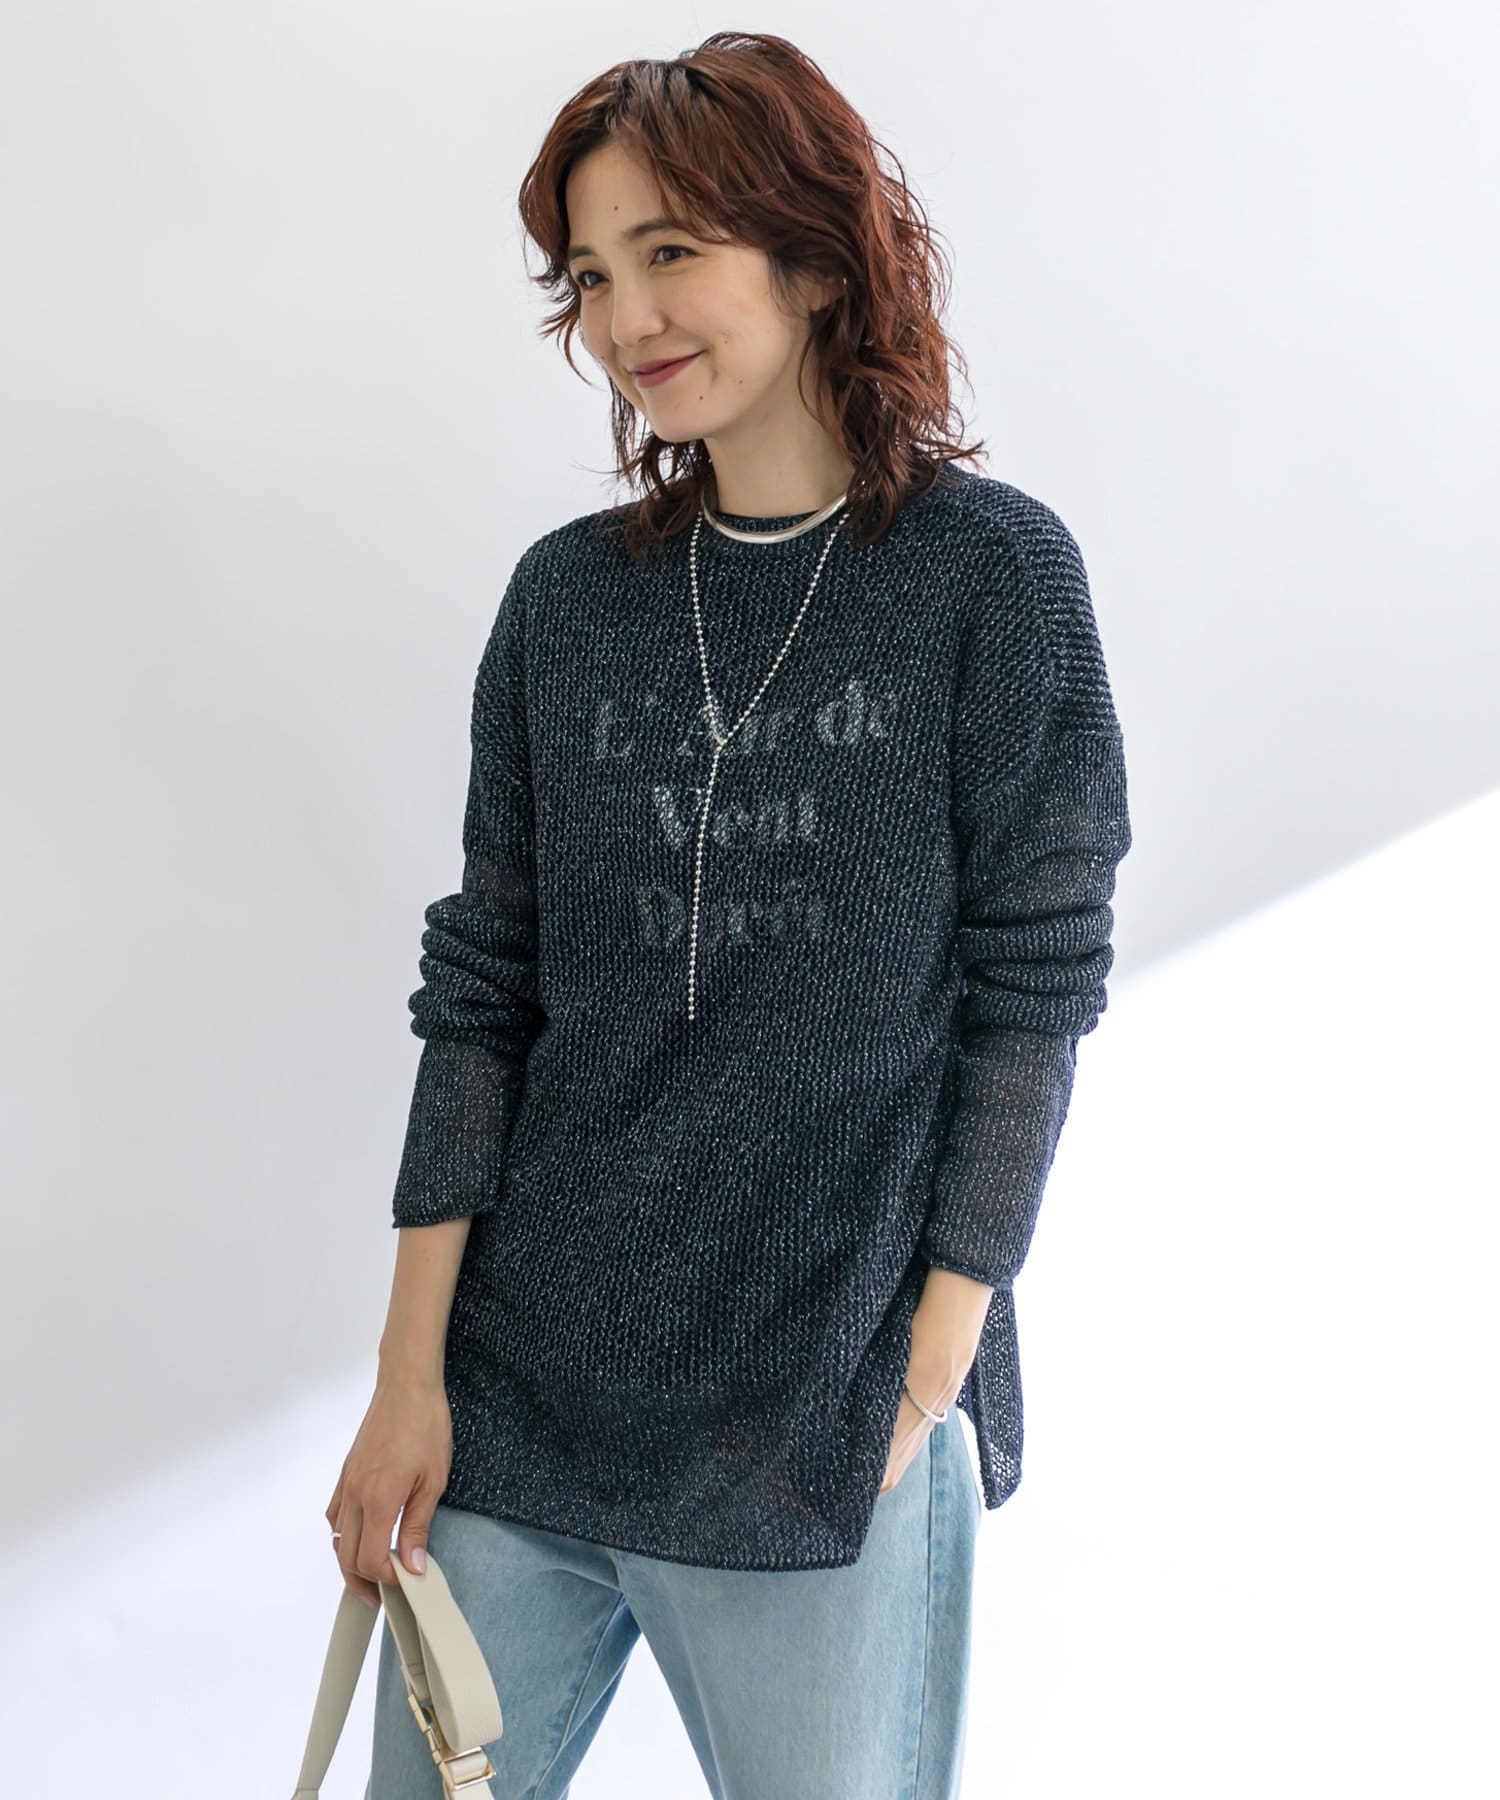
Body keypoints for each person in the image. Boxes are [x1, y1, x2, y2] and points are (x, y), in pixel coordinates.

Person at [327, 31, 1132, 1800]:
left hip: (818, 1420)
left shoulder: (993, 580)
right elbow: (485, 992)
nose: (625, 319)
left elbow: (1035, 988)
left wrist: (930, 1359)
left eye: (670, 252)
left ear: (818, 259)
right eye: (589, 276)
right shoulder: (568, 603)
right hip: (520, 1413)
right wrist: (408, 1381)